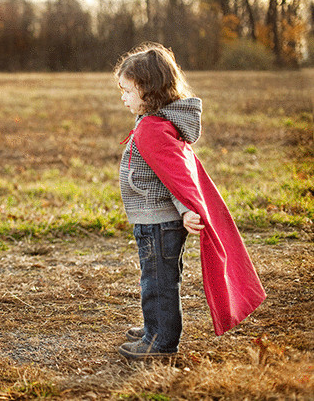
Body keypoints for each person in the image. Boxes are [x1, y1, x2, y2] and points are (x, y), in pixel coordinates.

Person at [114, 42, 266, 360]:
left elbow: (177, 176)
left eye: (127, 91)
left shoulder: (153, 129)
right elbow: (174, 172)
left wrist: (186, 209)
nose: (123, 98)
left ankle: (161, 341)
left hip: (158, 222)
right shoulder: (153, 123)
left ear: (147, 90)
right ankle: (154, 326)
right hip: (154, 219)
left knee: (157, 281)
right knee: (158, 278)